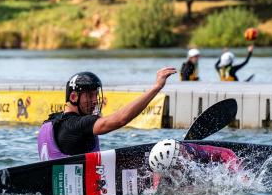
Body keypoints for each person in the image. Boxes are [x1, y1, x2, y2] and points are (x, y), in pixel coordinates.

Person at [37, 68, 176, 160]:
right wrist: (156, 87)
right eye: (90, 96)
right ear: (73, 97)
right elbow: (120, 120)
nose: (95, 101)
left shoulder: (51, 122)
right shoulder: (77, 125)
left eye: (96, 95)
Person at [148, 139, 240, 187]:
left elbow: (227, 153)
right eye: (182, 154)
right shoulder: (161, 169)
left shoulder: (194, 151)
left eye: (182, 149)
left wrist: (237, 172)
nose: (189, 156)